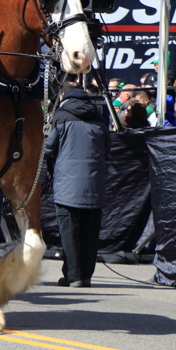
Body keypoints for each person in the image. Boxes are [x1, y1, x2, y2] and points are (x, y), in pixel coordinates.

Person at [45, 80, 110, 288]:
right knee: (90, 234)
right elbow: (107, 150)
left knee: (68, 233)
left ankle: (73, 276)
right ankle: (87, 276)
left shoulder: (61, 116)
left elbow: (48, 148)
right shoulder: (100, 118)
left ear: (63, 96)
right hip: (94, 184)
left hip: (67, 186)